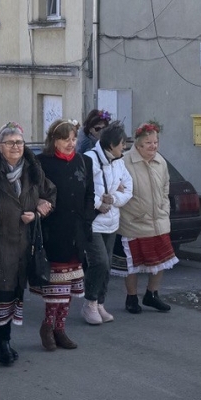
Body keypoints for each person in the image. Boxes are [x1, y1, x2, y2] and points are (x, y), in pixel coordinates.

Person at [0, 122, 55, 365]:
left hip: (23, 245)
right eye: (10, 142)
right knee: (2, 291)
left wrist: (40, 210)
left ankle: (2, 339)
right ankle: (1, 342)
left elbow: (50, 193)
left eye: (19, 142)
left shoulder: (32, 168)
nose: (16, 146)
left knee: (14, 292)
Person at [34, 119, 94, 350]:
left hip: (76, 231)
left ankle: (60, 327)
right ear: (54, 140)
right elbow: (34, 192)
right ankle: (48, 326)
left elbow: (90, 193)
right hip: (53, 231)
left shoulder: (84, 161)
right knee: (55, 286)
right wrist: (40, 205)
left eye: (73, 138)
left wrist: (87, 219)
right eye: (64, 139)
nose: (70, 143)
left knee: (68, 286)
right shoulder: (42, 163)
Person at [113, 121, 178, 314]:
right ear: (138, 145)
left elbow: (166, 187)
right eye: (148, 143)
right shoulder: (123, 162)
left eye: (155, 142)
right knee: (132, 265)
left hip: (158, 220)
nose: (153, 146)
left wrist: (164, 208)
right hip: (133, 221)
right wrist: (133, 210)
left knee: (160, 261)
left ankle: (152, 294)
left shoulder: (161, 161)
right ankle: (131, 297)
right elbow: (116, 188)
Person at [81, 121, 133, 325]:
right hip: (93, 222)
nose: (125, 147)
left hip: (112, 221)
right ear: (110, 144)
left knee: (108, 265)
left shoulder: (119, 161)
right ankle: (90, 303)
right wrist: (98, 203)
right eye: (121, 143)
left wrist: (113, 199)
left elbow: (129, 188)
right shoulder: (89, 159)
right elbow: (83, 189)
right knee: (99, 262)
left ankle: (100, 302)